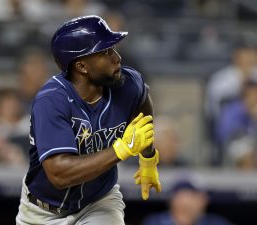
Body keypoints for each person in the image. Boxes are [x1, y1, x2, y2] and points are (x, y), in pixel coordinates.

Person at [16, 15, 162, 225]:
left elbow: (142, 100)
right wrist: (121, 150)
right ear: (82, 67)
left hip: (98, 203)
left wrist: (148, 158)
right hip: (42, 213)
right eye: (106, 52)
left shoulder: (127, 83)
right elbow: (59, 174)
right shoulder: (51, 101)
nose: (117, 58)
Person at [141, 179, 232, 225]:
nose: (185, 202)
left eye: (192, 196)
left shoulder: (215, 222)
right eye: (180, 196)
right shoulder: (155, 222)